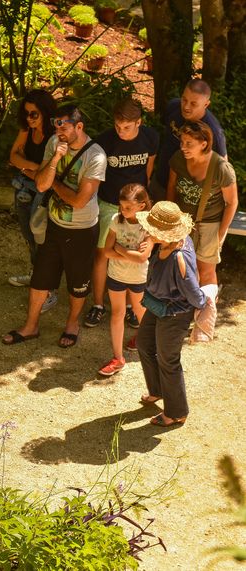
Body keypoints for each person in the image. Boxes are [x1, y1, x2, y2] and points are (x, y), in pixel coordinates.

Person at [3, 105, 106, 348]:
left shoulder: (96, 156)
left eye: (65, 126)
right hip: (54, 224)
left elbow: (80, 201)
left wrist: (54, 184)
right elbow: (40, 184)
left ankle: (72, 324)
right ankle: (31, 326)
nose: (59, 131)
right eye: (56, 125)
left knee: (77, 282)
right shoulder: (54, 143)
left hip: (82, 230)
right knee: (41, 277)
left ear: (79, 127)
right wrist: (56, 159)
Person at [85, 98, 159, 329]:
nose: (121, 131)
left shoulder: (151, 137)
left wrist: (144, 207)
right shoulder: (105, 141)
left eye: (127, 127)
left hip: (138, 205)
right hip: (110, 203)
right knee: (102, 253)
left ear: (139, 122)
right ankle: (98, 305)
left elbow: (148, 172)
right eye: (118, 126)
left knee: (136, 252)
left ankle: (130, 306)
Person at [135, 201, 208, 427]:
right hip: (157, 306)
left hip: (175, 314)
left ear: (165, 233)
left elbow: (195, 296)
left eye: (152, 229)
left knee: (169, 361)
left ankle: (176, 412)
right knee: (144, 344)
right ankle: (157, 390)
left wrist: (207, 301)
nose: (148, 231)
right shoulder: (164, 244)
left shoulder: (180, 257)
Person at [166, 121, 238, 286]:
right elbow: (171, 188)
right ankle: (186, 309)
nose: (183, 147)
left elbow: (232, 203)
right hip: (182, 223)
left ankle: (207, 309)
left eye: (189, 143)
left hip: (210, 224)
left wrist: (220, 234)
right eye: (182, 142)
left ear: (204, 144)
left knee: (205, 272)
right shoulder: (178, 159)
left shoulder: (221, 168)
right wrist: (170, 220)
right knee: (181, 268)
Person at [7, 89, 58, 313]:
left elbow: (48, 174)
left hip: (43, 193)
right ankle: (36, 276)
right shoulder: (26, 129)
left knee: (43, 239)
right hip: (24, 188)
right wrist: (35, 169)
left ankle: (48, 289)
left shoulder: (55, 135)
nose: (29, 118)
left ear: (45, 113)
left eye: (34, 114)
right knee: (29, 235)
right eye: (26, 113)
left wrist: (26, 166)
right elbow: (13, 156)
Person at [97, 184, 152, 376]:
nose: (123, 210)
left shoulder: (148, 225)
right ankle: (118, 357)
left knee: (140, 312)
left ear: (142, 205)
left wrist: (119, 249)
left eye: (128, 207)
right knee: (117, 314)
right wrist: (131, 253)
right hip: (116, 276)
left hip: (138, 278)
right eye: (122, 206)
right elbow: (106, 251)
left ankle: (146, 343)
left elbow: (142, 257)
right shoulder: (115, 219)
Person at [152, 79, 227, 202]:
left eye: (193, 103)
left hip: (186, 196)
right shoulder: (173, 106)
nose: (186, 106)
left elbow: (223, 169)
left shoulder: (214, 132)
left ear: (206, 104)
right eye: (184, 99)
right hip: (159, 182)